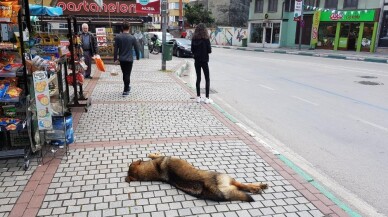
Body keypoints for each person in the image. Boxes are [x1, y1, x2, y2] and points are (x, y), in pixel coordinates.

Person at [114, 21, 140, 96]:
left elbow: (116, 49)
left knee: (124, 74)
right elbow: (136, 48)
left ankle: (127, 87)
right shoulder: (132, 37)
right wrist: (138, 57)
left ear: (122, 28)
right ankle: (125, 90)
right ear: (129, 28)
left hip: (121, 59)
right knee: (127, 74)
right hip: (129, 59)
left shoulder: (118, 37)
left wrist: (115, 59)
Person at [191, 23, 212, 104]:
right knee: (207, 78)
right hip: (204, 61)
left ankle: (198, 97)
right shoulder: (206, 39)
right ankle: (207, 98)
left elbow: (192, 50)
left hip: (197, 61)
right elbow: (209, 51)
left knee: (198, 78)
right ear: (205, 30)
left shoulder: (194, 39)